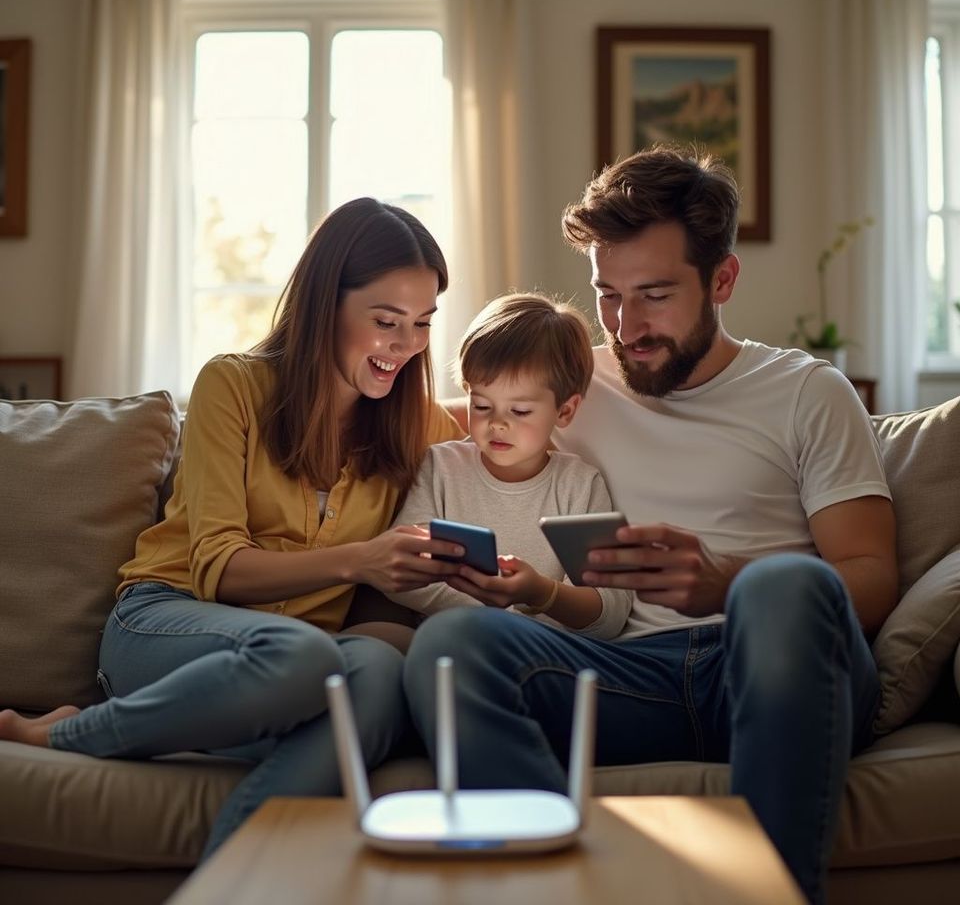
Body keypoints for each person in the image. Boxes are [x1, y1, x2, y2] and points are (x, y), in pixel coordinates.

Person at [402, 147, 898, 904]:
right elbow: (436, 425)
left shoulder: (808, 391)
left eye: (655, 296)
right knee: (452, 647)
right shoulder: (566, 383)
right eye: (608, 295)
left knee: (785, 586)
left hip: (769, 667)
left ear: (722, 280)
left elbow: (871, 577)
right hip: (620, 675)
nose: (627, 326)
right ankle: (561, 891)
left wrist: (728, 585)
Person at [0, 197, 467, 859]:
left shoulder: (424, 428)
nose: (407, 344)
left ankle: (233, 881)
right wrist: (360, 560)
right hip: (167, 620)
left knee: (375, 677)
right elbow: (219, 568)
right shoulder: (234, 386)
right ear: (325, 306)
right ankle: (70, 734)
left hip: (304, 665)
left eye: (422, 323)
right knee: (306, 658)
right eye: (386, 321)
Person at [386, 292, 632, 638]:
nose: (497, 424)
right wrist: (495, 615)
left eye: (519, 411)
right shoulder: (439, 467)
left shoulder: (579, 484)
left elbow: (611, 611)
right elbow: (401, 571)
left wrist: (541, 595)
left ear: (564, 411)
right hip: (451, 642)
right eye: (482, 406)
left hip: (543, 649)